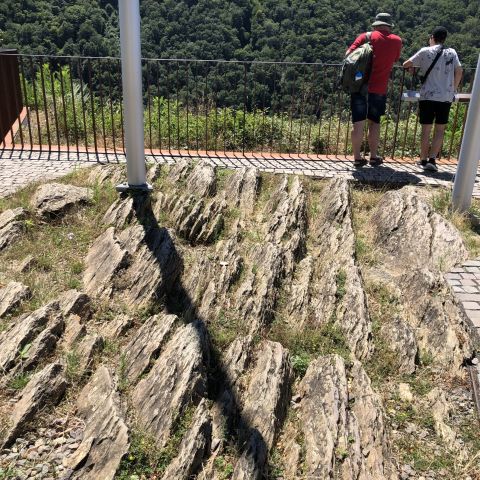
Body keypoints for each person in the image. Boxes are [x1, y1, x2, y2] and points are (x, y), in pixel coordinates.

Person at [403, 27, 463, 172]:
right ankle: (432, 160)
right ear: (444, 38)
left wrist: (412, 69)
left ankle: (423, 160)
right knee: (440, 130)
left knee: (426, 129)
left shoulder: (425, 51)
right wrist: (453, 89)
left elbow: (406, 64)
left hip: (428, 96)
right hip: (445, 97)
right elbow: (459, 70)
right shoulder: (452, 52)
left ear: (432, 37)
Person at [346, 13, 402, 167]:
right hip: (379, 90)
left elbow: (348, 56)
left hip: (359, 87)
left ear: (375, 24)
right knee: (374, 123)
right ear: (389, 25)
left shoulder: (365, 37)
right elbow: (396, 59)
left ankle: (357, 158)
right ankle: (373, 156)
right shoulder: (396, 41)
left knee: (358, 123)